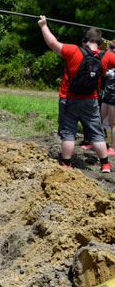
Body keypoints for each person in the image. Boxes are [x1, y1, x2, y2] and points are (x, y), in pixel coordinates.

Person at [38, 16, 115, 172]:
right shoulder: (106, 56)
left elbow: (53, 44)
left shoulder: (74, 50)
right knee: (96, 133)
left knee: (68, 133)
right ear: (100, 42)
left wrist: (43, 26)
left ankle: (66, 164)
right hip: (91, 101)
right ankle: (105, 165)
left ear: (84, 40)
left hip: (69, 100)